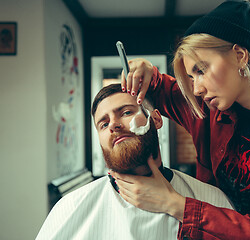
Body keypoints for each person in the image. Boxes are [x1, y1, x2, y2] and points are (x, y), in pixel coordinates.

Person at [111, 1, 250, 239]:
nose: (196, 89)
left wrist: (174, 204)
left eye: (201, 70)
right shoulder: (210, 106)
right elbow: (161, 88)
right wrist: (145, 71)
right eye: (190, 76)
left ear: (239, 55)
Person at [35, 84, 233, 240]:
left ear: (156, 119)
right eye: (103, 124)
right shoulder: (70, 208)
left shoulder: (211, 200)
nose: (113, 124)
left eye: (126, 112)